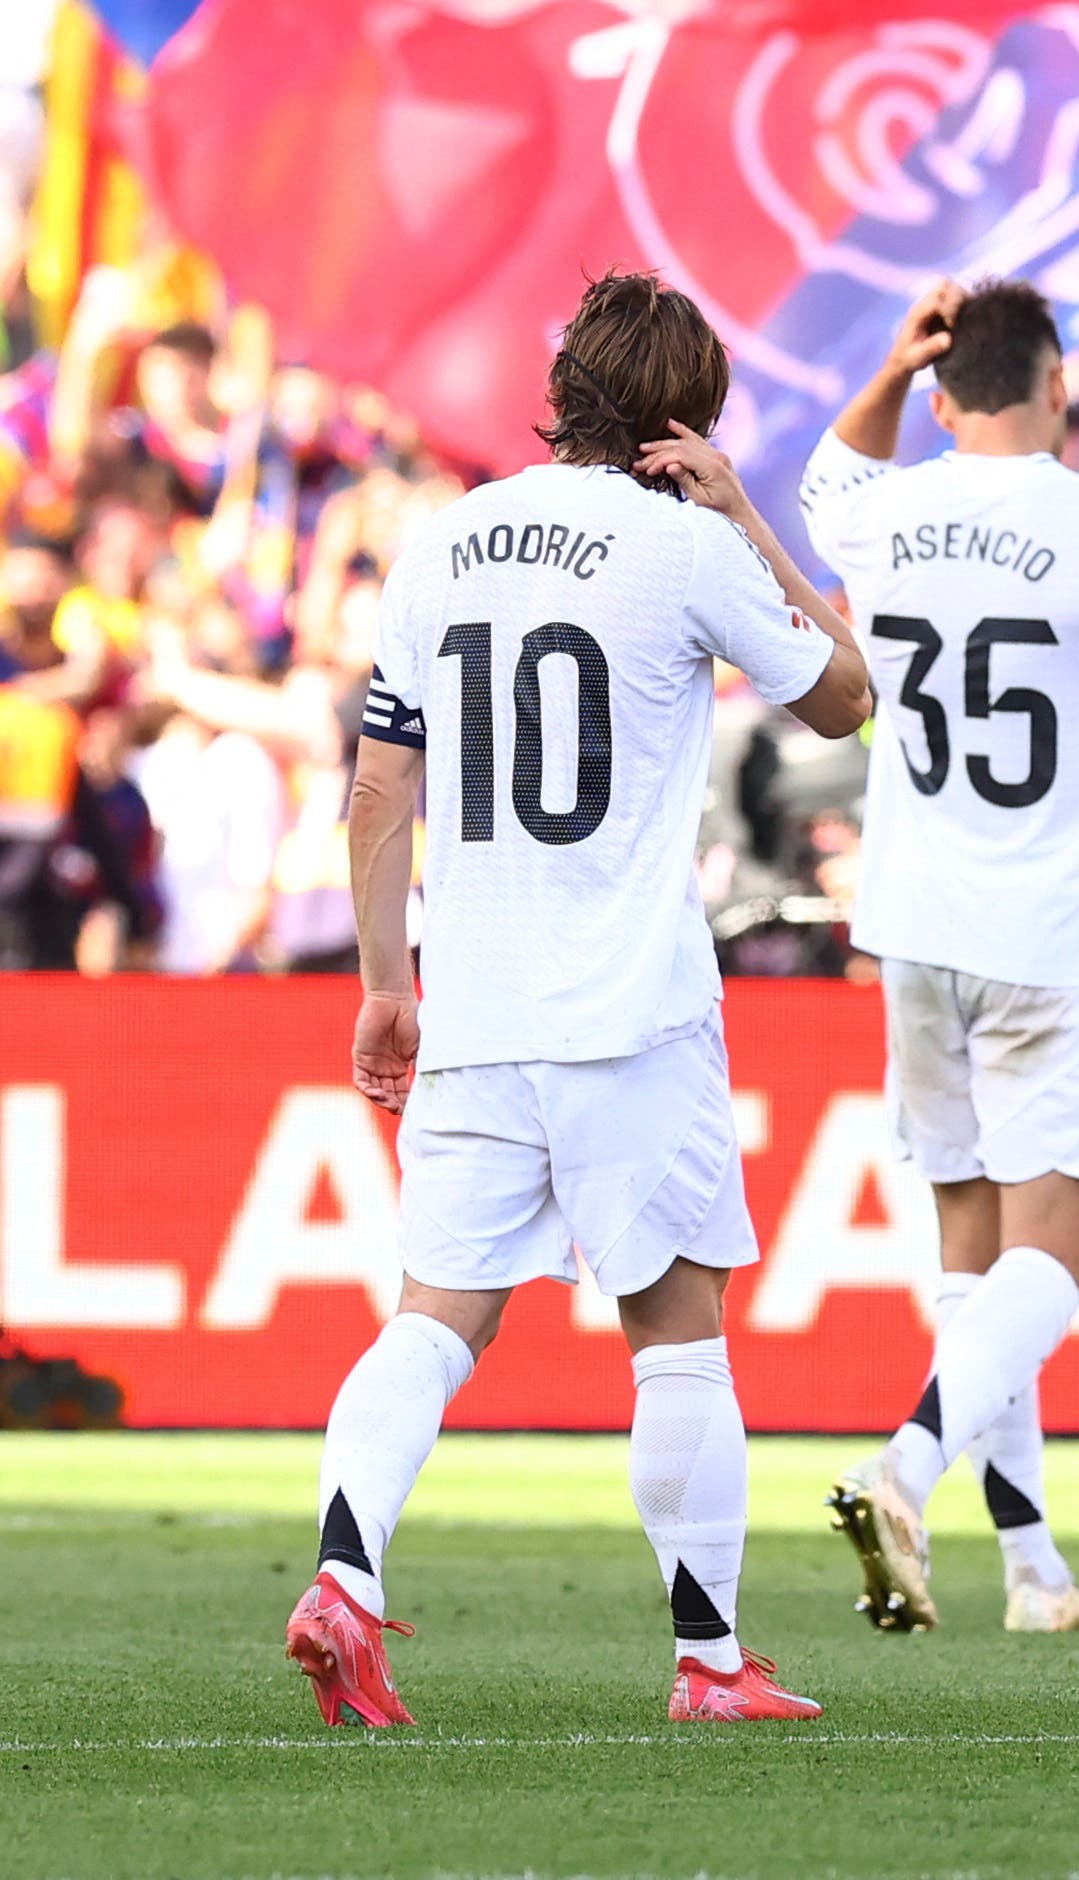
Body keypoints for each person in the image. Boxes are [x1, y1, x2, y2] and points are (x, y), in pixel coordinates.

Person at [289, 272, 870, 1728]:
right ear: (686, 413)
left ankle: (345, 1579)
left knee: (428, 1322)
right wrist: (744, 514)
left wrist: (383, 984)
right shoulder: (683, 546)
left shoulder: (440, 546)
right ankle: (711, 1659)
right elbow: (847, 698)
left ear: (566, 393)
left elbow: (377, 783)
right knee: (677, 1331)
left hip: (475, 1008)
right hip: (630, 1013)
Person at [800, 280, 1079, 1637]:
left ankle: (1031, 1564)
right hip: (1057, 928)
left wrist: (884, 365)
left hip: (916, 926)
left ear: (940, 397)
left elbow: (821, 483)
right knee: (1065, 1251)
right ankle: (905, 1466)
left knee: (971, 1253)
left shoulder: (886, 514)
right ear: (1059, 385)